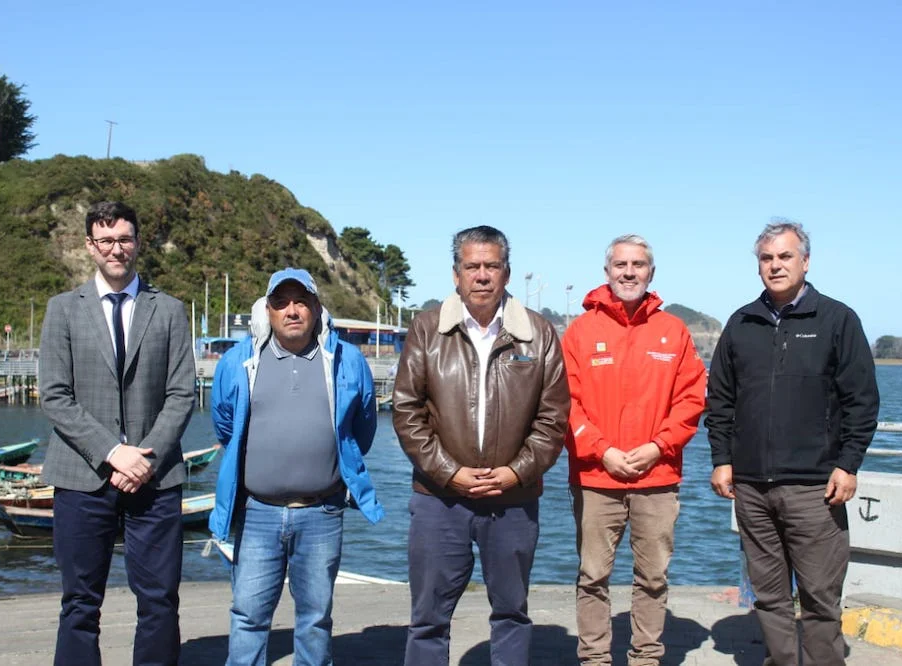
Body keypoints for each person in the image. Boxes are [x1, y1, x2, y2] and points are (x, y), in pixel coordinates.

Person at [392, 225, 570, 666]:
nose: (483, 275)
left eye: (492, 266)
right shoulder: (428, 328)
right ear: (456, 274)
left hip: (514, 499)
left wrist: (516, 472)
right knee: (428, 617)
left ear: (506, 273)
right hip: (438, 499)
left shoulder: (539, 333)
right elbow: (407, 411)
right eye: (473, 266)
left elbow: (553, 419)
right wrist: (449, 471)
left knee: (511, 613)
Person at [705, 220, 879, 666]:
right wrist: (722, 459)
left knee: (821, 597)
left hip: (814, 489)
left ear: (805, 261)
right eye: (767, 258)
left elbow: (861, 399)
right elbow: (720, 398)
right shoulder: (742, 322)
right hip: (751, 487)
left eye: (785, 256)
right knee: (769, 596)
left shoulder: (837, 319)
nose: (776, 265)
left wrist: (849, 463)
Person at [39, 200, 195, 665]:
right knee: (81, 603)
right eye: (106, 240)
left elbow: (182, 393)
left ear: (138, 243)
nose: (116, 249)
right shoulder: (63, 310)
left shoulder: (168, 310)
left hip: (155, 477)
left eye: (124, 239)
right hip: (82, 475)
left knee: (160, 601)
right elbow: (54, 395)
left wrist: (142, 458)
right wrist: (112, 452)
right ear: (90, 246)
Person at [209, 267, 384, 666]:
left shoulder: (347, 360)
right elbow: (224, 424)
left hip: (321, 513)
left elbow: (361, 429)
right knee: (248, 616)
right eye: (281, 302)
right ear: (267, 310)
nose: (292, 310)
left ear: (316, 307)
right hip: (256, 514)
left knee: (315, 619)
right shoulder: (239, 361)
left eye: (301, 301)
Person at [563, 234, 706, 666]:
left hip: (657, 477)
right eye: (621, 265)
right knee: (592, 577)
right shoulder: (580, 331)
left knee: (653, 577)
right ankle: (595, 659)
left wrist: (658, 446)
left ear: (651, 272)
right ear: (607, 272)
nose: (629, 272)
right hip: (595, 476)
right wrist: (601, 450)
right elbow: (564, 402)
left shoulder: (673, 331)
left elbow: (693, 397)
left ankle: (646, 657)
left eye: (638, 265)